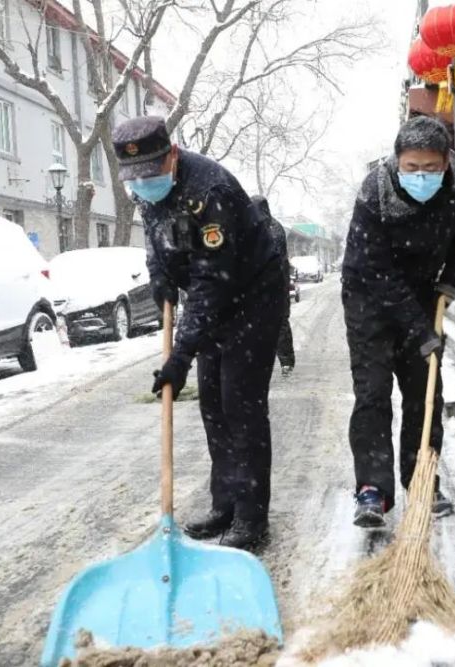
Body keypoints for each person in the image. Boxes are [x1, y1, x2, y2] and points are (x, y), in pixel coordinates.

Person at [112, 116, 286, 550]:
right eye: (136, 177)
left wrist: (179, 357)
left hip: (253, 296)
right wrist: (159, 278)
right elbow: (155, 240)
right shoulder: (150, 188)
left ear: (172, 155)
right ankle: (224, 502)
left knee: (240, 405)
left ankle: (251, 517)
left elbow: (213, 282)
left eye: (152, 172)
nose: (144, 183)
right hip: (212, 299)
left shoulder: (211, 193)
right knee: (213, 403)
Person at [341, 115, 455, 528]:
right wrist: (419, 329)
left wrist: (449, 283)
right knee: (372, 392)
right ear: (396, 161)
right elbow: (377, 271)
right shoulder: (375, 192)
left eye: (431, 167)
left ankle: (422, 480)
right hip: (368, 293)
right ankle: (372, 490)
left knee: (425, 393)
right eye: (412, 167)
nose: (421, 175)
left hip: (423, 288)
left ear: (447, 162)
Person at [251, 195, 295, 376]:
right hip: (260, 288)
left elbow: (272, 259)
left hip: (277, 286)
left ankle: (286, 361)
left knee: (280, 324)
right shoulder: (254, 228)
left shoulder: (273, 229)